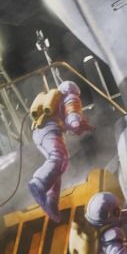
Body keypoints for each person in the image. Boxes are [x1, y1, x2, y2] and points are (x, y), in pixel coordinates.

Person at [28, 80, 91, 222]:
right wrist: (79, 125)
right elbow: (72, 118)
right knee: (59, 158)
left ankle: (51, 201)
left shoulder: (54, 101)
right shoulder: (70, 97)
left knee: (58, 167)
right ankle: (38, 184)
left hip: (38, 133)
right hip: (50, 130)